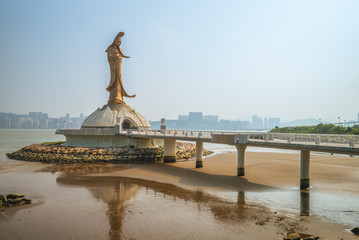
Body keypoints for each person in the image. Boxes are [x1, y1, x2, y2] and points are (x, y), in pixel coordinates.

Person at [106, 32, 135, 104]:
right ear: (115, 41)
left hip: (118, 67)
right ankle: (113, 96)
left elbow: (121, 57)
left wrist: (118, 58)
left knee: (119, 81)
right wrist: (114, 57)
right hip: (114, 68)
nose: (119, 43)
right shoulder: (110, 49)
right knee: (114, 81)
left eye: (120, 42)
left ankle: (119, 96)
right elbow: (109, 57)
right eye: (118, 41)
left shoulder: (120, 49)